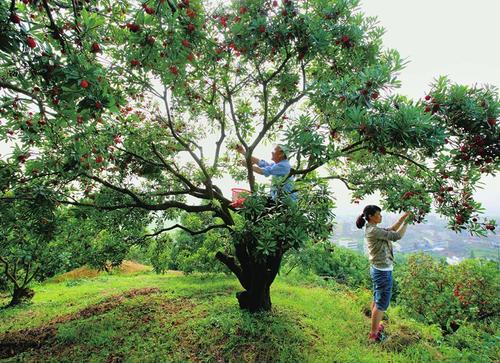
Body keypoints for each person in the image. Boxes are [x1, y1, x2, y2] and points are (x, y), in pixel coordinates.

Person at [356, 205, 410, 343]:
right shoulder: (374, 231)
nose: (381, 216)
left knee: (377, 296)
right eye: (378, 214)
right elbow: (396, 236)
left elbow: (391, 229)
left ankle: (376, 324)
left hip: (378, 268)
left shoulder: (373, 229)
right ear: (370, 217)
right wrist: (407, 223)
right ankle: (374, 334)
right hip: (382, 271)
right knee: (381, 302)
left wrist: (403, 218)